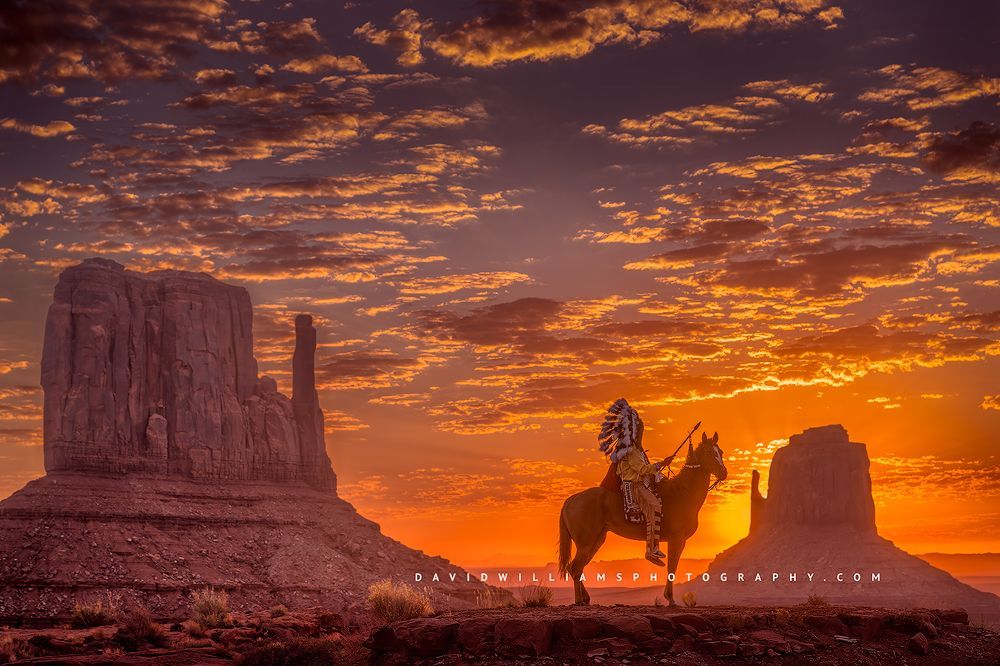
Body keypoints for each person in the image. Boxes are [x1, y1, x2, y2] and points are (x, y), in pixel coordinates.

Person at [597, 399, 673, 565]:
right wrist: (661, 464)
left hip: (640, 484)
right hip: (635, 486)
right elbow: (642, 470)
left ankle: (654, 546)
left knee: (659, 501)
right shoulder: (631, 452)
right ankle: (650, 549)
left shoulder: (635, 451)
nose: (641, 436)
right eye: (639, 433)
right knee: (654, 506)